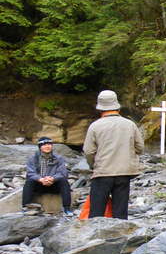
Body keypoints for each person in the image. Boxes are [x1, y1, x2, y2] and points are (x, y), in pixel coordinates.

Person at [83, 90, 144, 219]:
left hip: (103, 172)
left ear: (100, 108)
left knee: (96, 212)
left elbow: (88, 151)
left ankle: (95, 231)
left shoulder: (95, 126)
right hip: (124, 172)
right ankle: (121, 230)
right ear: (117, 106)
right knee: (120, 211)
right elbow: (140, 148)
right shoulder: (130, 124)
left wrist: (93, 165)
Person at [23, 137, 73, 216]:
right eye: (44, 145)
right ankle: (25, 207)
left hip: (53, 184)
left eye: (49, 144)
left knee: (63, 181)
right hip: (39, 185)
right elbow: (30, 173)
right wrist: (40, 179)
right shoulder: (33, 159)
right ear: (40, 147)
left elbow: (63, 172)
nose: (47, 146)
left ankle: (67, 208)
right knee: (29, 181)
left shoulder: (58, 158)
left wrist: (53, 178)